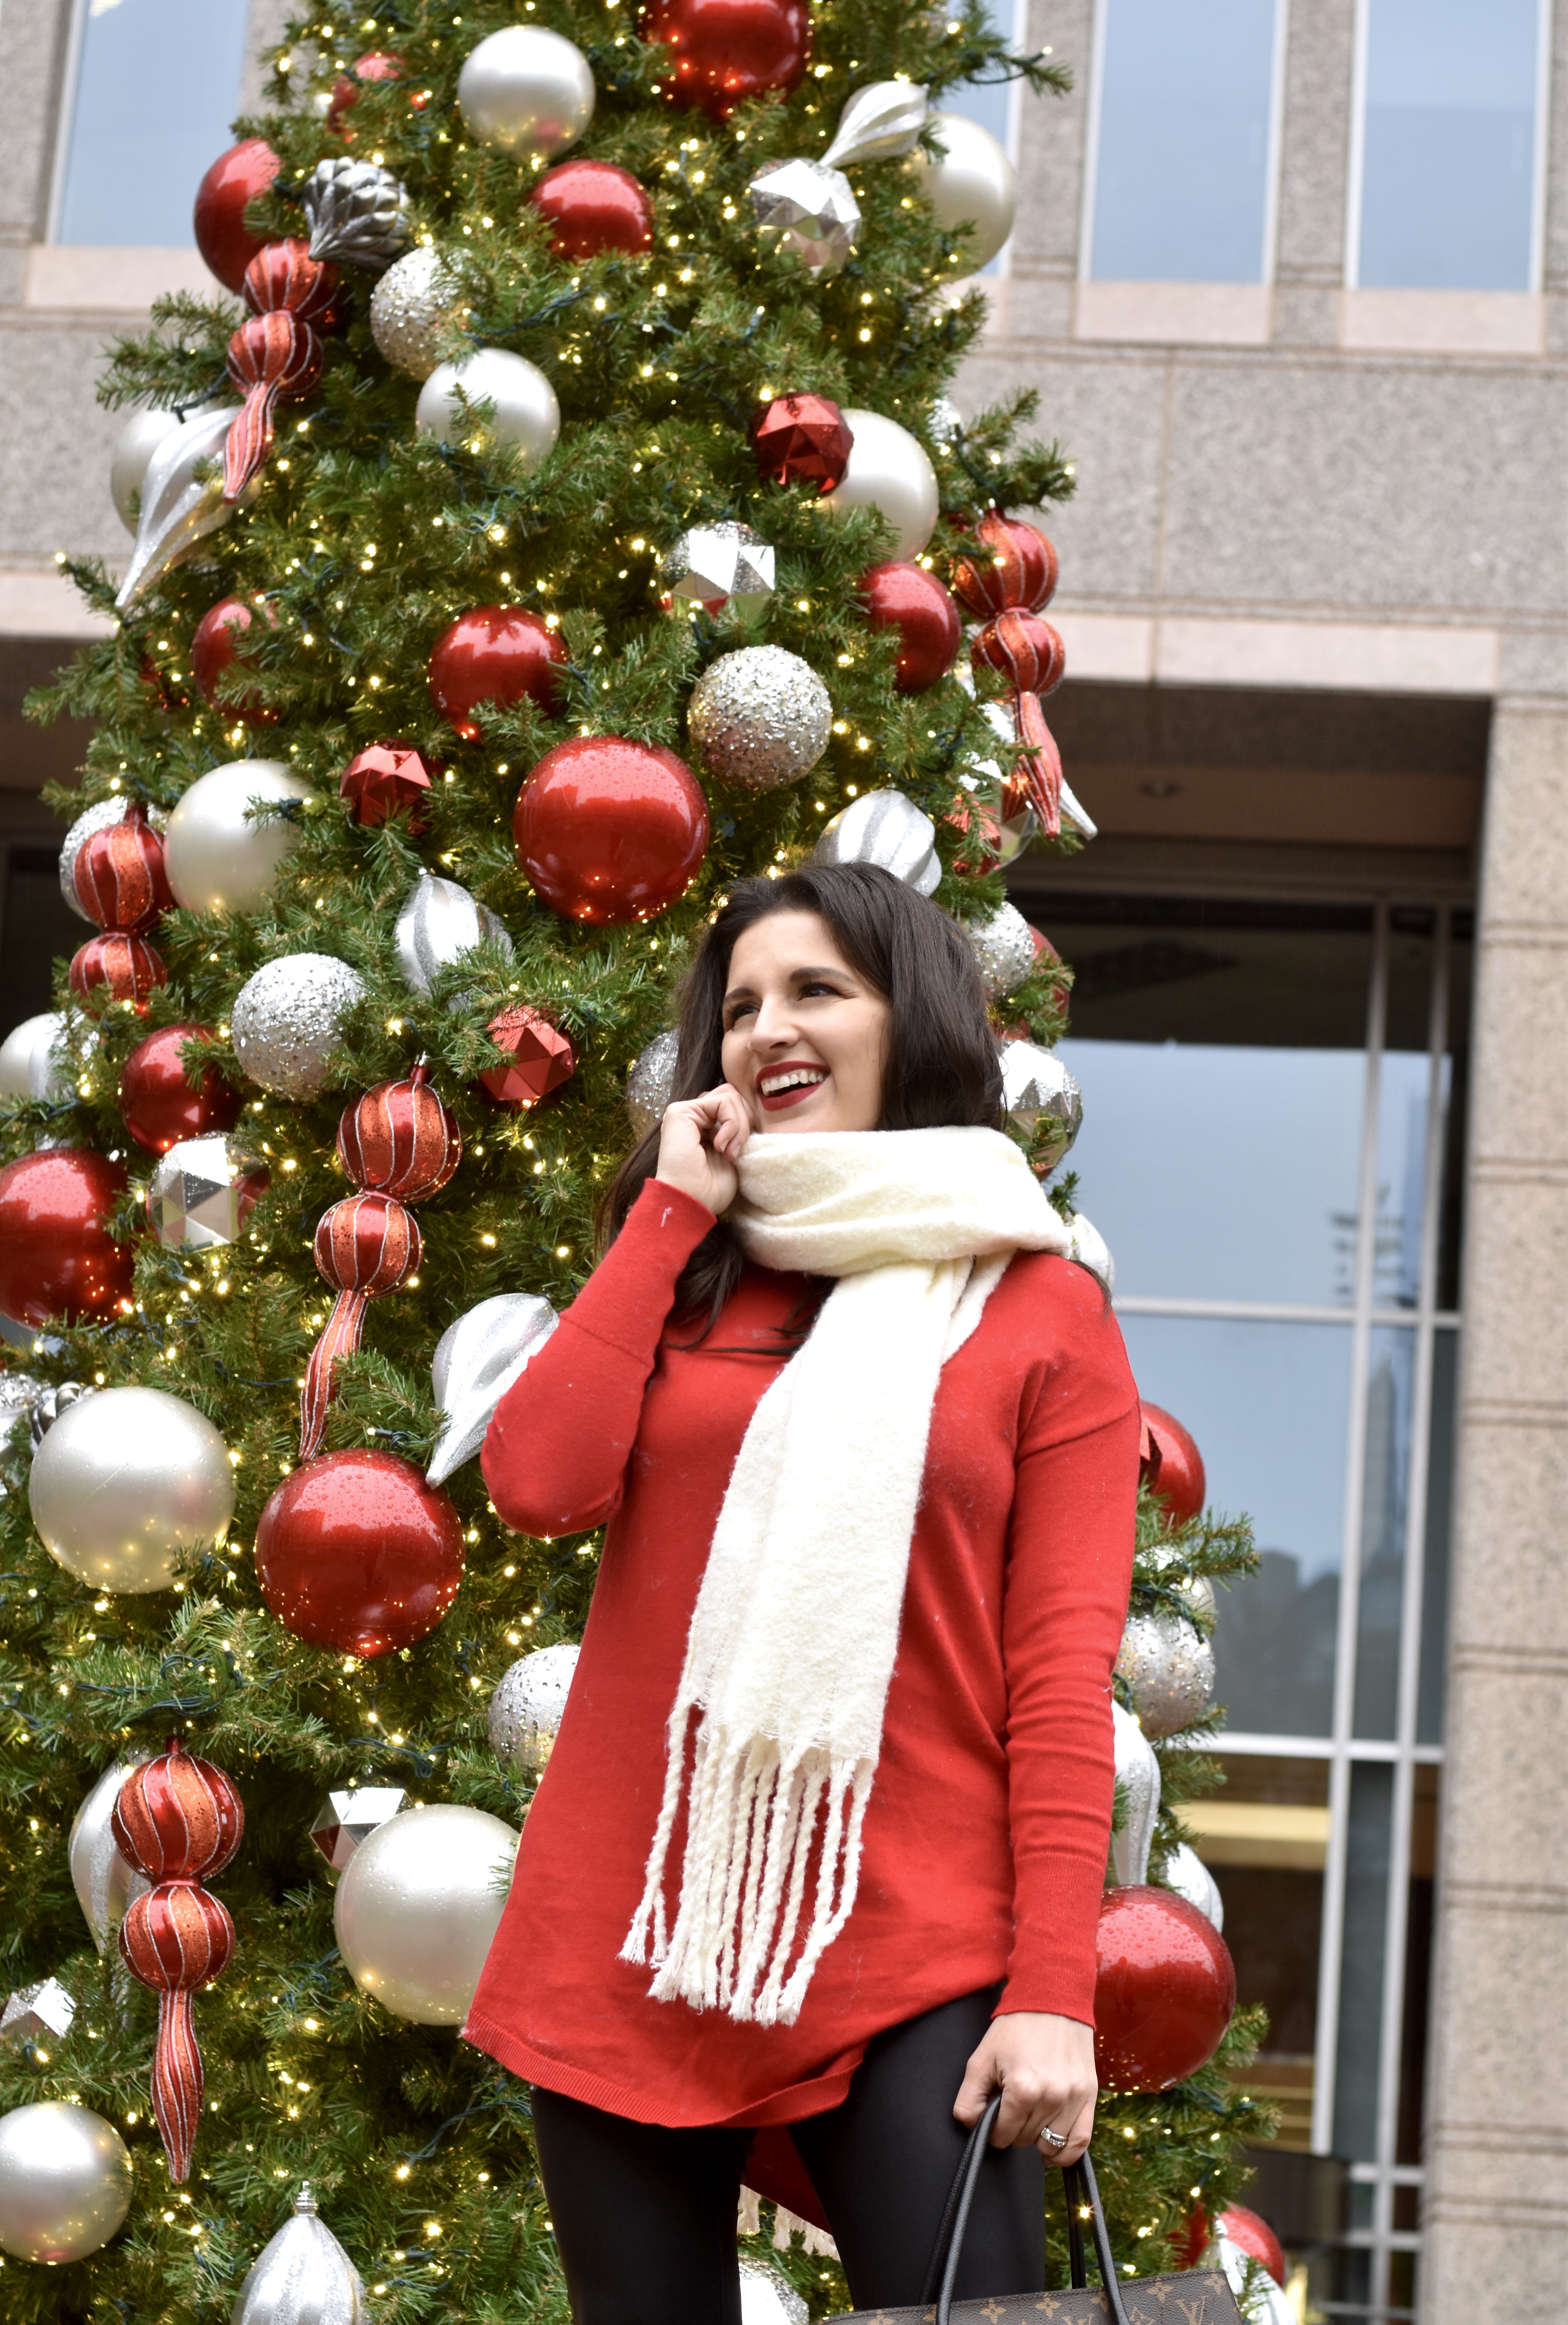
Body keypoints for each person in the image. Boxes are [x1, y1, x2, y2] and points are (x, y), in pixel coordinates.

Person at [465, 862, 1140, 2325]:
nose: (768, 1027)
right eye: (744, 1004)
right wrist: (662, 1217)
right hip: (641, 1930)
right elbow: (536, 1484)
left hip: (921, 1954)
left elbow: (1061, 1678)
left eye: (819, 991)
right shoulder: (693, 1267)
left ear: (917, 1022)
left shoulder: (1043, 1311)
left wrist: (1053, 1993)